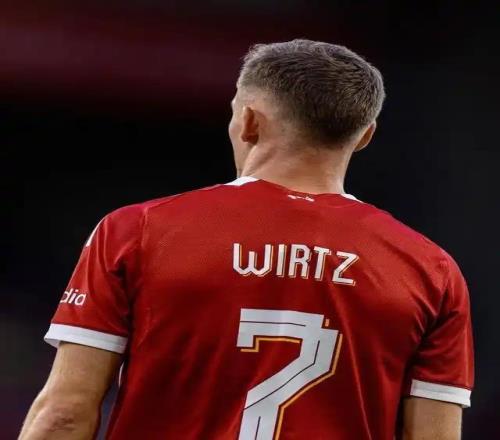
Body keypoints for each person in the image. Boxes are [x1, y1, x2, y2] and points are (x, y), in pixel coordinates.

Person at [19, 39, 473, 440]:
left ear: (249, 121)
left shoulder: (136, 231)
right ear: (364, 138)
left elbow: (64, 414)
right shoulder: (428, 269)